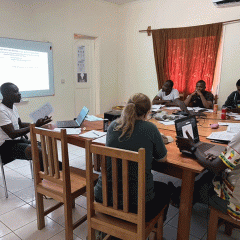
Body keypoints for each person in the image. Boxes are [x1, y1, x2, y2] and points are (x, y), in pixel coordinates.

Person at [94, 93, 172, 222]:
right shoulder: (150, 129)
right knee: (164, 189)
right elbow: (162, 159)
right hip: (136, 205)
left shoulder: (113, 126)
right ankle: (153, 230)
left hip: (103, 196)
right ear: (147, 113)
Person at [174, 131, 240, 221]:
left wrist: (193, 148)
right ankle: (181, 194)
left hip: (236, 205)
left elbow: (216, 167)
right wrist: (220, 160)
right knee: (209, 175)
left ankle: (181, 198)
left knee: (193, 190)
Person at [0, 82, 53, 168]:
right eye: (15, 91)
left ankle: (45, 174)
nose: (19, 94)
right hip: (5, 146)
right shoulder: (1, 110)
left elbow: (20, 124)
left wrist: (39, 124)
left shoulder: (13, 107)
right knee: (36, 150)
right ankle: (54, 170)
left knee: (40, 145)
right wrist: (35, 125)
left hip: (16, 141)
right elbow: (12, 134)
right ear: (6, 94)